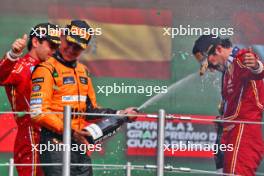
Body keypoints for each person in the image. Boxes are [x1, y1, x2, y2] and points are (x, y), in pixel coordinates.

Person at [30, 20, 138, 176]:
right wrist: (70, 131)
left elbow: (90, 110)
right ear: (62, 37)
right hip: (54, 145)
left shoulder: (83, 71)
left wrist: (121, 114)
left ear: (84, 48)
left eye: (78, 47)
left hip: (79, 144)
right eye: (70, 42)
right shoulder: (46, 68)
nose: (71, 49)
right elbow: (37, 112)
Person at [192, 35, 264, 175]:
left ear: (218, 49)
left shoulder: (241, 59)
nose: (210, 69)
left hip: (244, 134)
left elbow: (256, 70)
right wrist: (224, 119)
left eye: (208, 62)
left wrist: (256, 65)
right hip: (232, 135)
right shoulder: (226, 74)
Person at [0, 23, 60, 176]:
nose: (54, 51)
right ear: (35, 42)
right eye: (51, 45)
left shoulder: (54, 68)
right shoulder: (18, 65)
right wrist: (12, 55)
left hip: (56, 136)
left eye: (57, 47)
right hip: (31, 135)